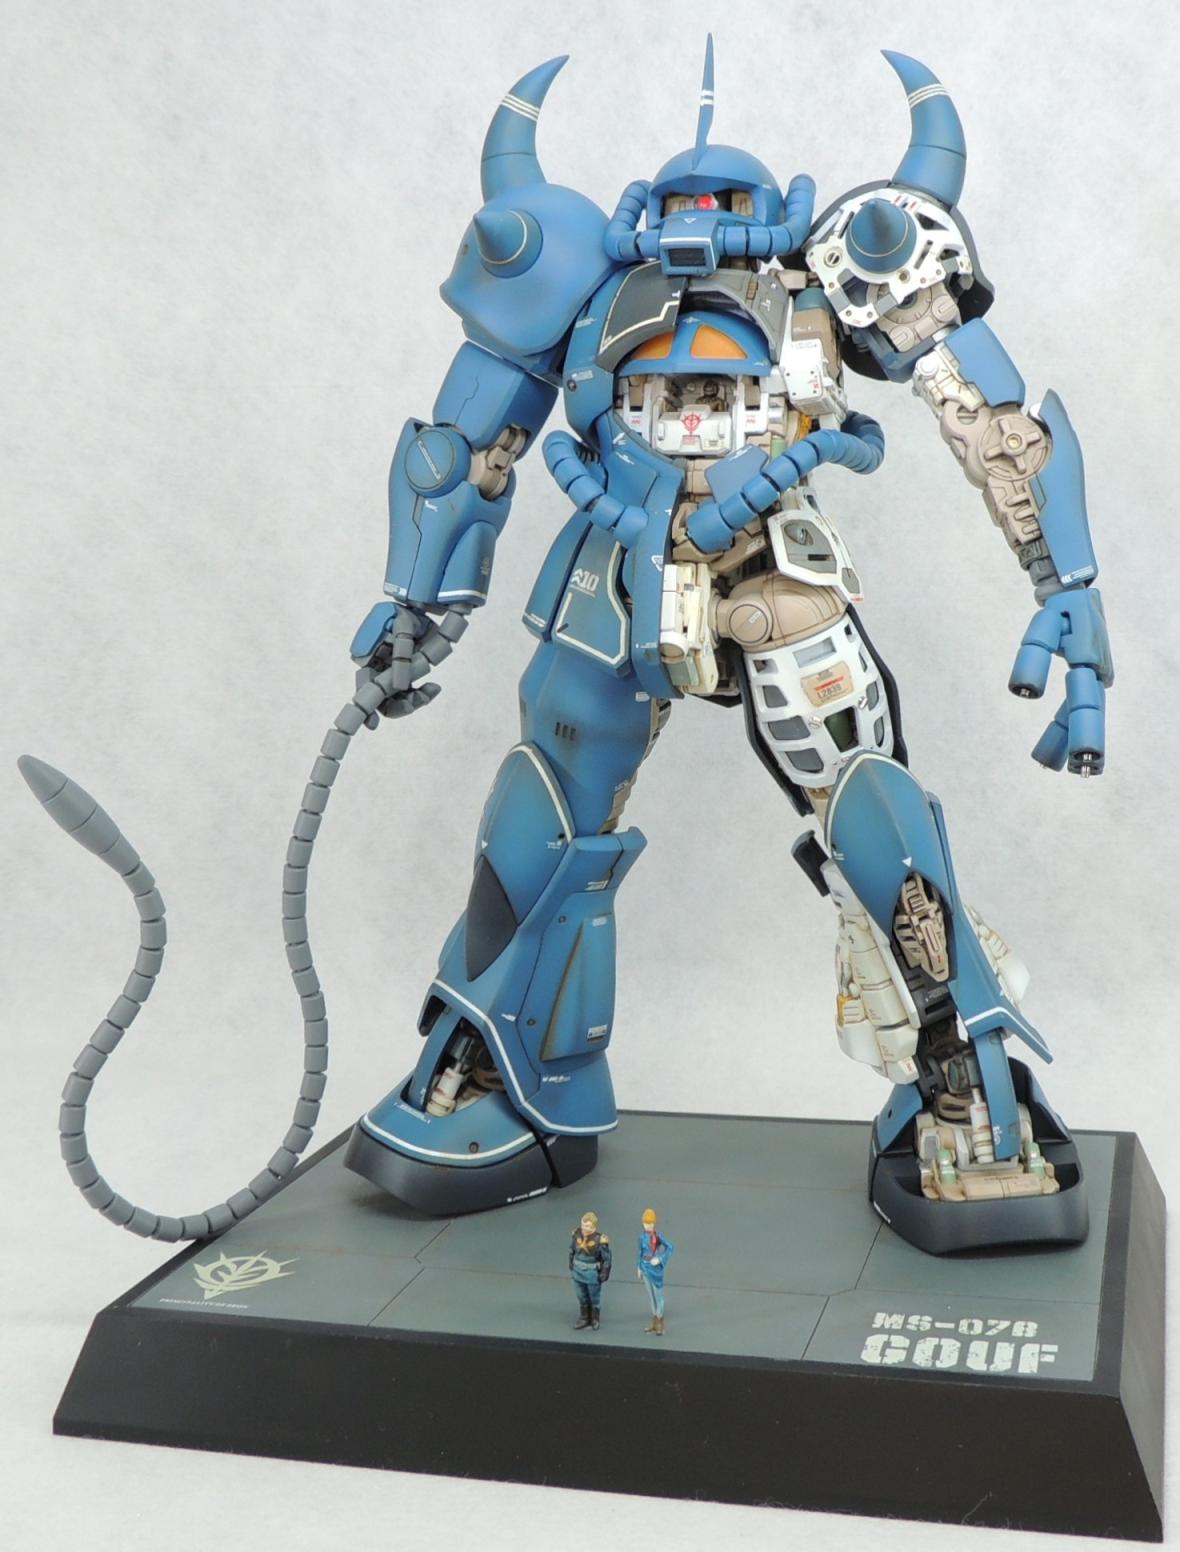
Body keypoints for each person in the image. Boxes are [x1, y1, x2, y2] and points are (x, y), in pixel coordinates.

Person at [568, 1211, 611, 1330]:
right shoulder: (576, 1234)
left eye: (587, 1226)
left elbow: (606, 1258)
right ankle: (584, 1317)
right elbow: (572, 1249)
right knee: (581, 1295)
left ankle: (595, 1318)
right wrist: (571, 1262)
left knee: (594, 1296)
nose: (584, 1228)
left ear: (594, 1227)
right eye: (583, 1225)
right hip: (578, 1270)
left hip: (592, 1272)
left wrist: (604, 1272)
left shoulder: (600, 1240)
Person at [636, 1208, 674, 1335]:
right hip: (645, 1268)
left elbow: (670, 1247)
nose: (648, 1226)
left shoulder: (658, 1236)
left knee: (658, 1296)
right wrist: (639, 1267)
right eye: (646, 1223)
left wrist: (660, 1259)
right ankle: (654, 1322)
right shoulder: (642, 1238)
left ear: (654, 1223)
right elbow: (640, 1253)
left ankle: (660, 1321)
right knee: (651, 1297)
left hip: (655, 1269)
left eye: (650, 1223)